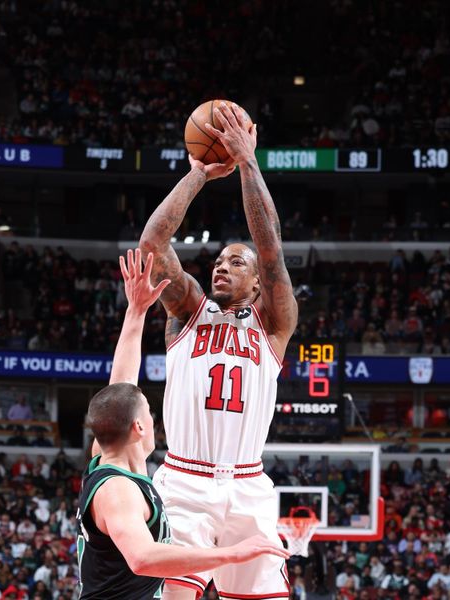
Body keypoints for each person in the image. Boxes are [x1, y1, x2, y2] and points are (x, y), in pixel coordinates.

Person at [139, 102, 298, 599]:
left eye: (236, 262)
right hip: (184, 484)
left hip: (249, 488)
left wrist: (248, 163)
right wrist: (197, 175)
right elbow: (152, 243)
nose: (221, 267)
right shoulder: (188, 311)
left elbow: (269, 246)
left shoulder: (274, 325)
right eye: (219, 261)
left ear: (257, 282)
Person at [80, 249, 289, 599]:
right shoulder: (118, 492)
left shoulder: (108, 458)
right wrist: (229, 555)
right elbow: (144, 558)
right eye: (149, 411)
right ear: (138, 428)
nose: (154, 417)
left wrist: (136, 312)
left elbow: (120, 387)